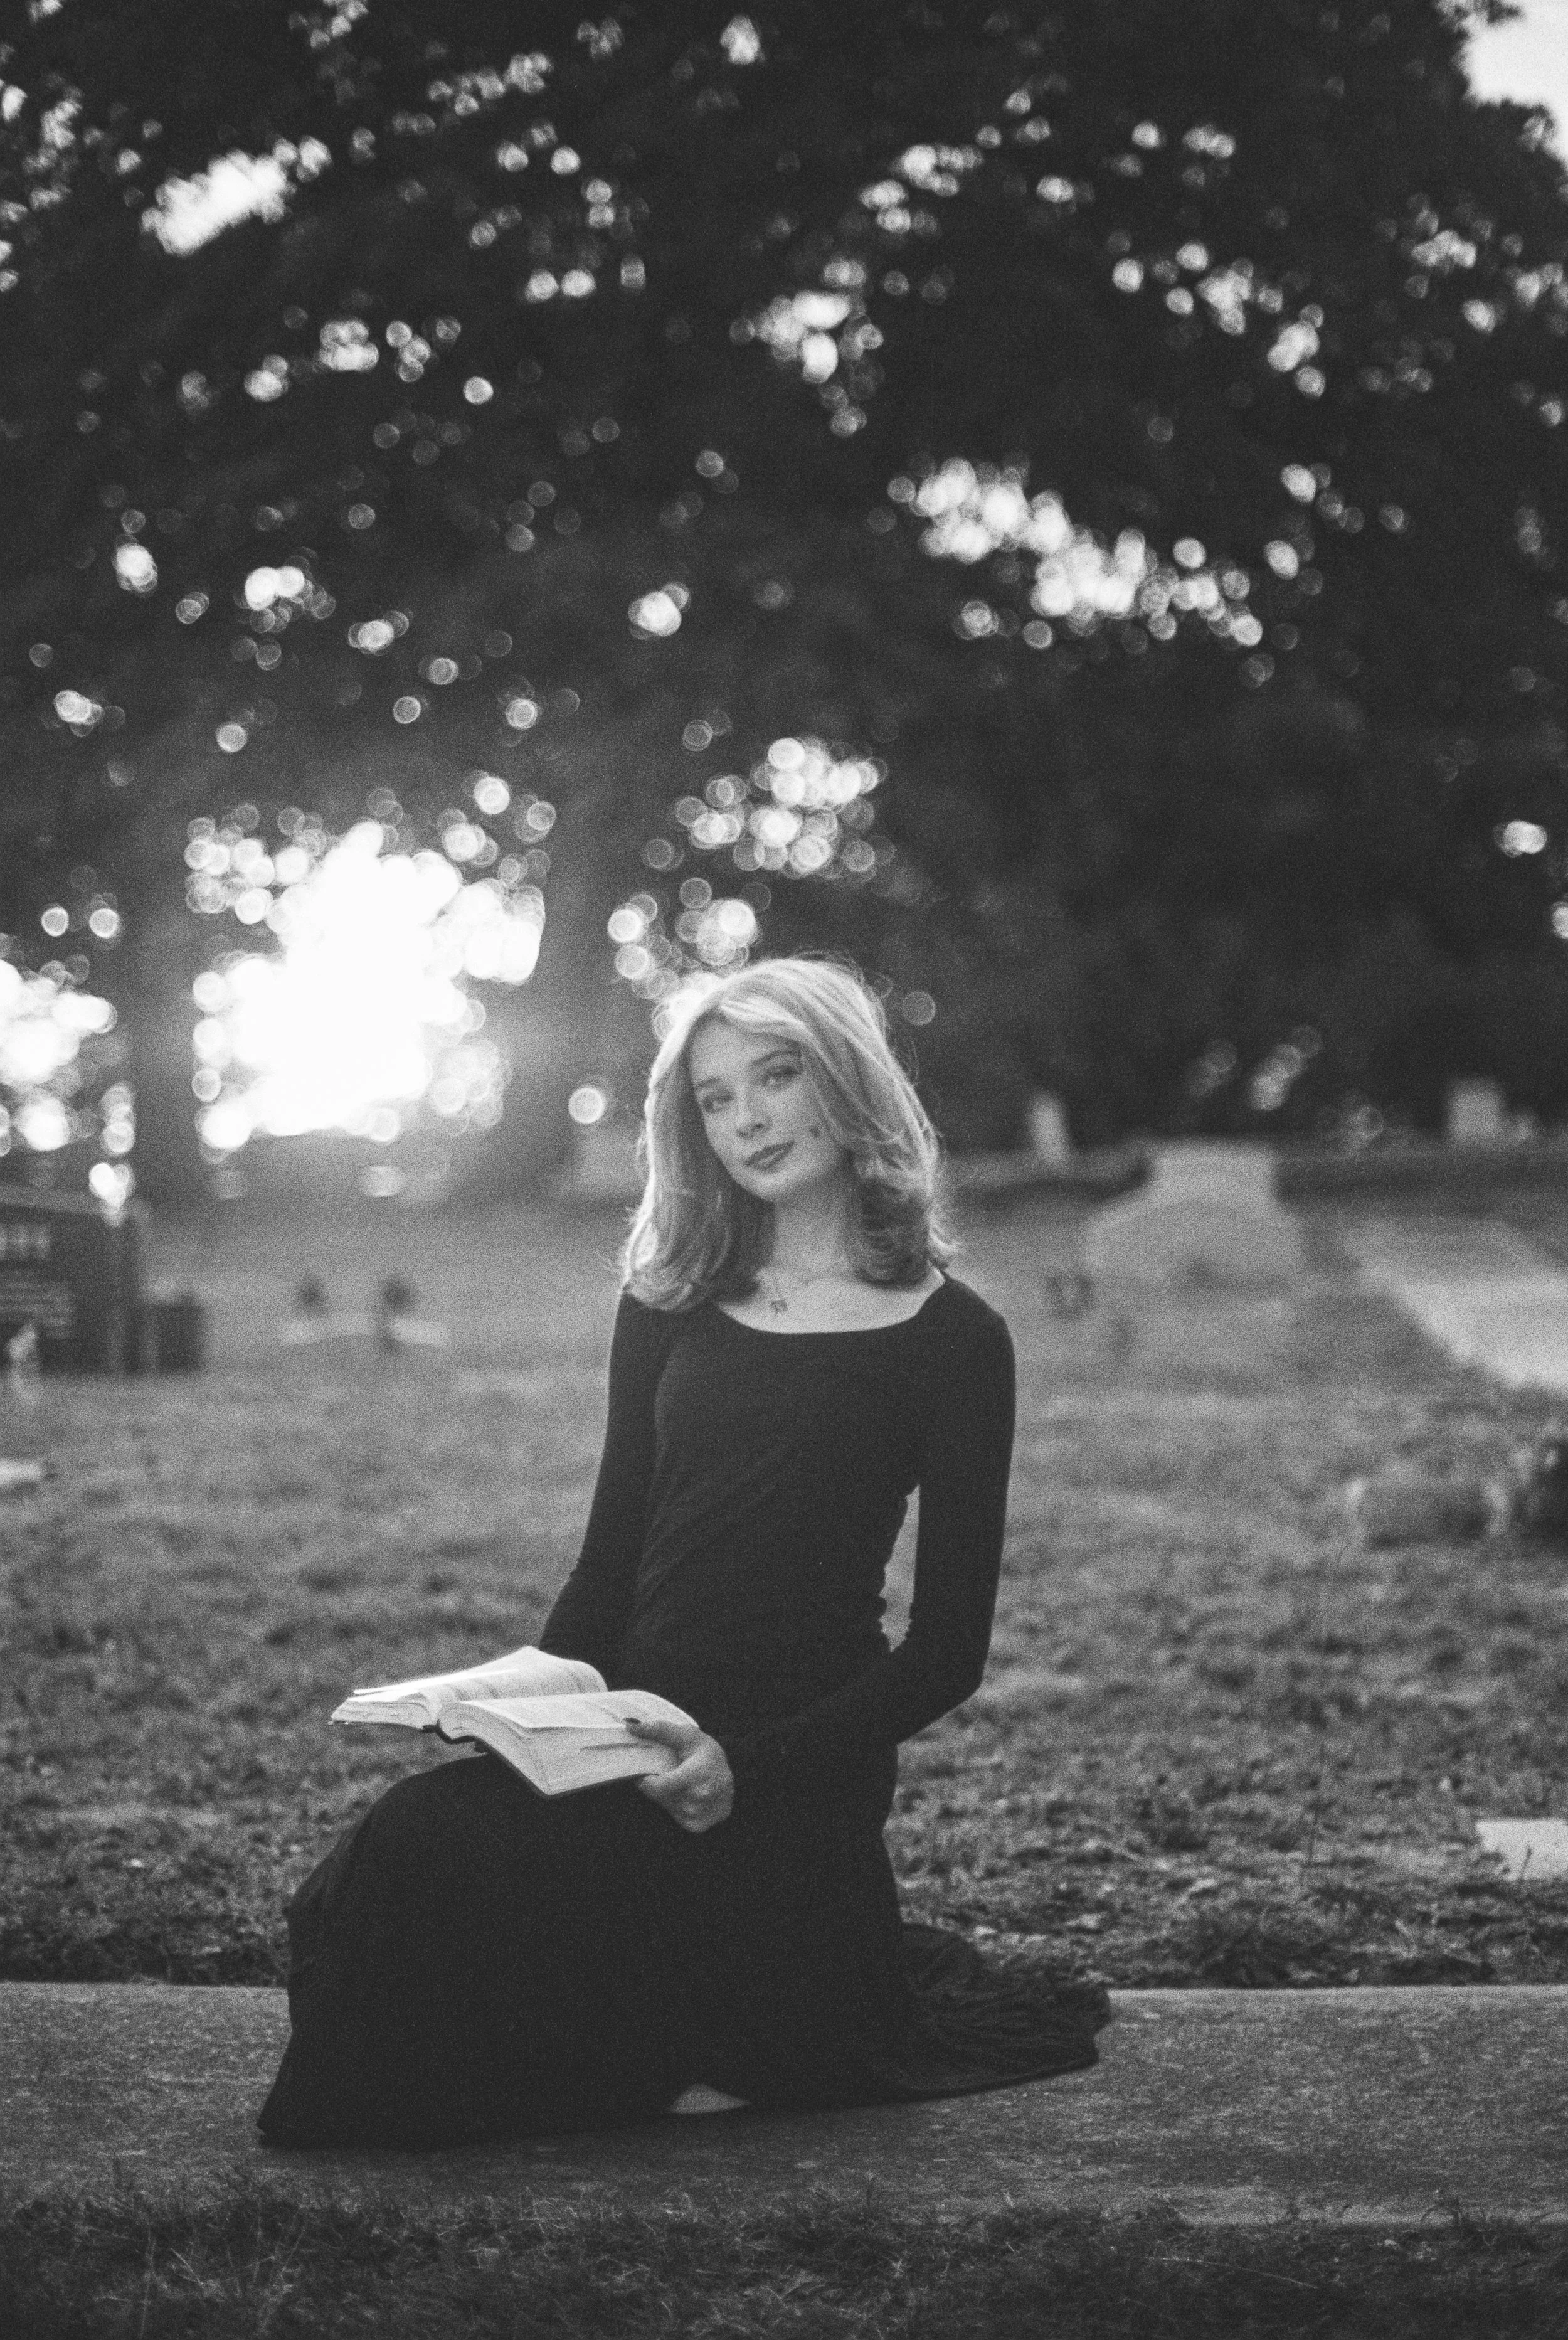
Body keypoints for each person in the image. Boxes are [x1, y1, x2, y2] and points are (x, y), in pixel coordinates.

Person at [258, 955, 1108, 2147]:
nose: (747, 1118)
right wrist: (530, 1712)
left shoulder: (956, 1337)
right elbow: (610, 1566)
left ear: (847, 1080)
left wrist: (742, 1769)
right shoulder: (670, 1297)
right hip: (637, 1734)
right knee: (409, 1850)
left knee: (701, 2016)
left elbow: (948, 1651)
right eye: (714, 1098)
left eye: (776, 1075)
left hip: (789, 1775)